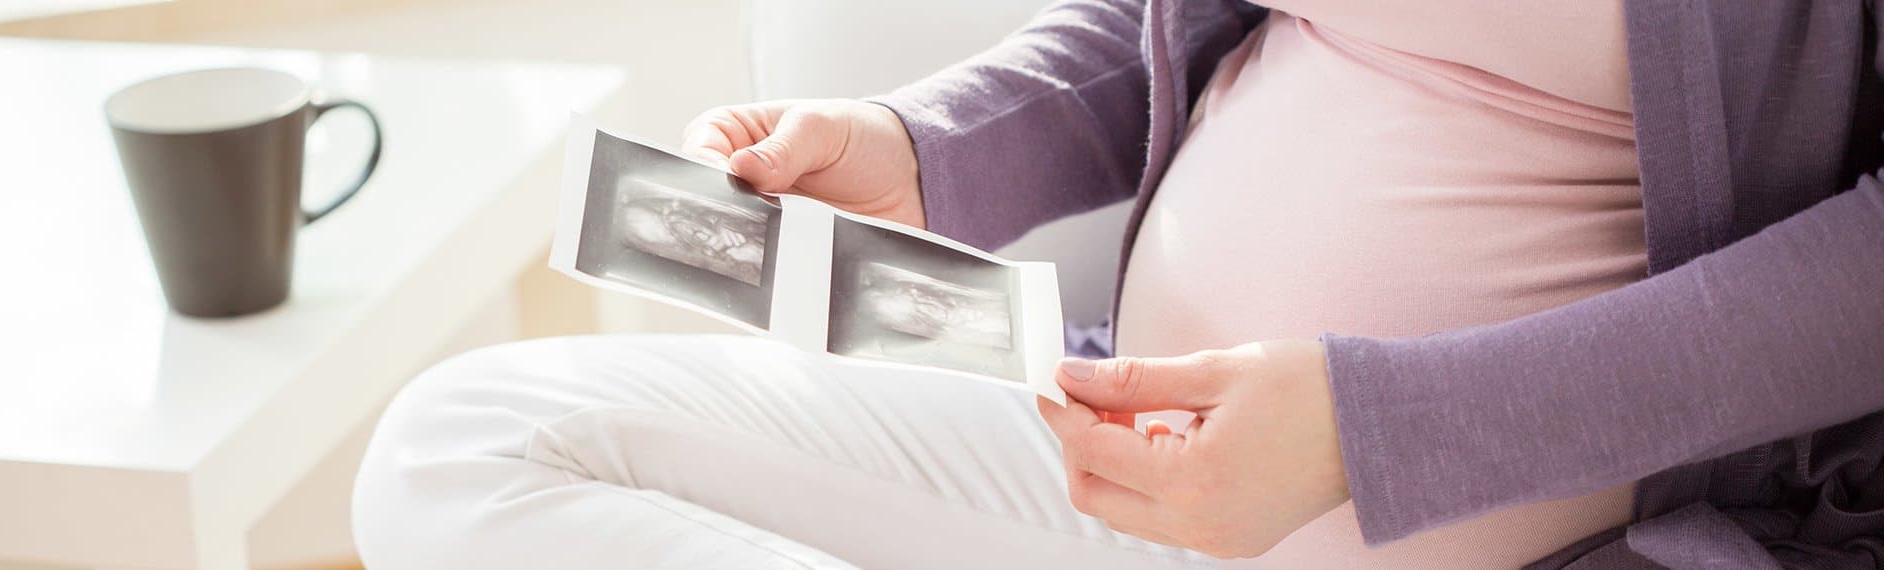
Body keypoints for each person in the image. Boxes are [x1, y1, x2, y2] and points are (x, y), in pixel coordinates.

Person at [351, 1, 1884, 568]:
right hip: (1099, 446)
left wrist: (1370, 435)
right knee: (456, 443)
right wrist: (920, 147)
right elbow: (1185, 18)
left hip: (1491, 526)